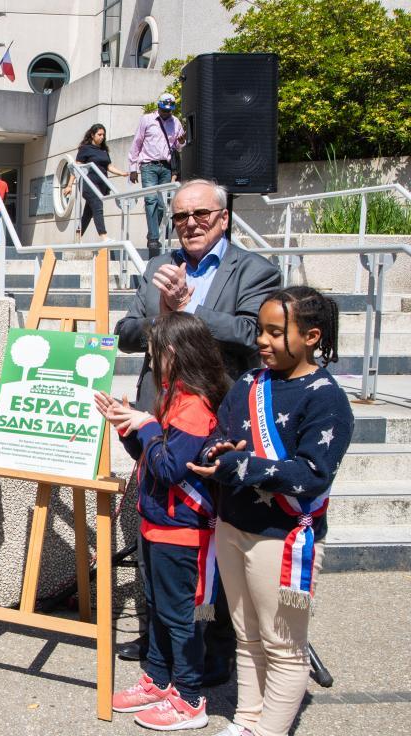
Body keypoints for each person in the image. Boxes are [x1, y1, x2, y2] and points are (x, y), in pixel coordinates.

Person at [114, 179, 281, 672]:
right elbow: (125, 333)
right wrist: (161, 314)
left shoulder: (255, 269)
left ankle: (211, 652)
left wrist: (191, 311)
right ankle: (160, 642)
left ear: (224, 218)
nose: (190, 224)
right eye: (181, 216)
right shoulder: (156, 267)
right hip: (157, 420)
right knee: (157, 530)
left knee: (213, 543)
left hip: (217, 426)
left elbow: (254, 334)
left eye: (201, 215)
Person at [186, 287, 353, 736]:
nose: (262, 340)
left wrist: (240, 466)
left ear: (312, 336)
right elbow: (222, 429)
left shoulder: (327, 399)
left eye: (276, 332)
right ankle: (246, 722)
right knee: (246, 633)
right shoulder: (250, 383)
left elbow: (311, 472)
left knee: (283, 642)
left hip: (282, 537)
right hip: (236, 524)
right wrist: (217, 450)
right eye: (260, 329)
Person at [98, 312, 229, 731]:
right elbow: (151, 460)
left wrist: (149, 424)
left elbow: (172, 469)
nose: (150, 361)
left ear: (172, 353)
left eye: (153, 353)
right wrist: (127, 427)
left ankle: (189, 698)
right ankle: (157, 679)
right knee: (156, 608)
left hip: (184, 530)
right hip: (157, 524)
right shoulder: (174, 398)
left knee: (181, 616)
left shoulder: (193, 408)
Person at [128, 93, 185, 255]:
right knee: (151, 199)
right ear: (158, 106)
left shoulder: (176, 122)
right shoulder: (147, 119)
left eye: (169, 111)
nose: (166, 113)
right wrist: (133, 168)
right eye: (164, 110)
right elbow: (137, 142)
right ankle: (154, 238)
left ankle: (152, 233)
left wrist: (182, 142)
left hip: (166, 167)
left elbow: (178, 147)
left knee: (162, 204)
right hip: (148, 166)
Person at [63, 123, 127, 240]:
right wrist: (69, 186)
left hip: (101, 185)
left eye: (103, 135)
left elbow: (108, 166)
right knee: (97, 205)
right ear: (92, 135)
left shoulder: (103, 150)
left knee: (88, 212)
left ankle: (77, 237)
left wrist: (122, 173)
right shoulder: (85, 149)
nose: (102, 137)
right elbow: (76, 168)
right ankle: (104, 236)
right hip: (88, 183)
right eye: (99, 134)